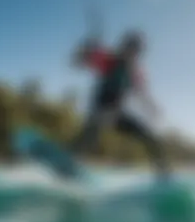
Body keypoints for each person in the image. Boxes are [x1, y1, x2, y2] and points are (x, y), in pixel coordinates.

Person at [70, 29, 170, 181]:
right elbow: (76, 63)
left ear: (138, 53)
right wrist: (85, 49)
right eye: (128, 48)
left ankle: (164, 175)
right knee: (90, 135)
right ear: (123, 46)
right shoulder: (109, 60)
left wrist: (152, 107)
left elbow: (142, 93)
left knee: (149, 137)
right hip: (100, 110)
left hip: (117, 115)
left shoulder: (134, 72)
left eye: (135, 51)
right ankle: (70, 159)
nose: (131, 53)